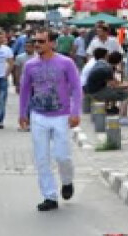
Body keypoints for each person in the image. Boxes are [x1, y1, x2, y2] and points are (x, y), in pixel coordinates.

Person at [19, 29, 82, 212]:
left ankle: (67, 181)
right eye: (35, 41)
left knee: (62, 156)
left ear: (52, 43)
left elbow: (77, 89)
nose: (37, 44)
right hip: (38, 115)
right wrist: (23, 113)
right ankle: (50, 196)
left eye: (41, 41)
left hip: (61, 115)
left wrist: (75, 111)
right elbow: (24, 90)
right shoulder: (30, 65)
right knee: (41, 158)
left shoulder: (66, 63)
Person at [85, 51, 128, 123]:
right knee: (127, 94)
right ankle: (122, 117)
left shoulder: (102, 63)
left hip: (91, 88)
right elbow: (114, 86)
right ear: (118, 62)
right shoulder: (107, 69)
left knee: (122, 91)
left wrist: (123, 84)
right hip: (96, 92)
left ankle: (118, 114)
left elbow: (114, 81)